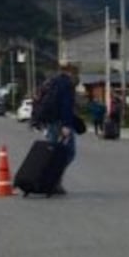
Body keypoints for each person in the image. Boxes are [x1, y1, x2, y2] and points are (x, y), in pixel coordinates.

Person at [35, 62, 78, 194]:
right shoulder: (66, 84)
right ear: (71, 72)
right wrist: (66, 125)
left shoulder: (51, 82)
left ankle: (48, 180)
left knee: (52, 152)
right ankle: (53, 180)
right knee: (68, 152)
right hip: (60, 123)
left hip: (50, 122)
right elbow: (66, 105)